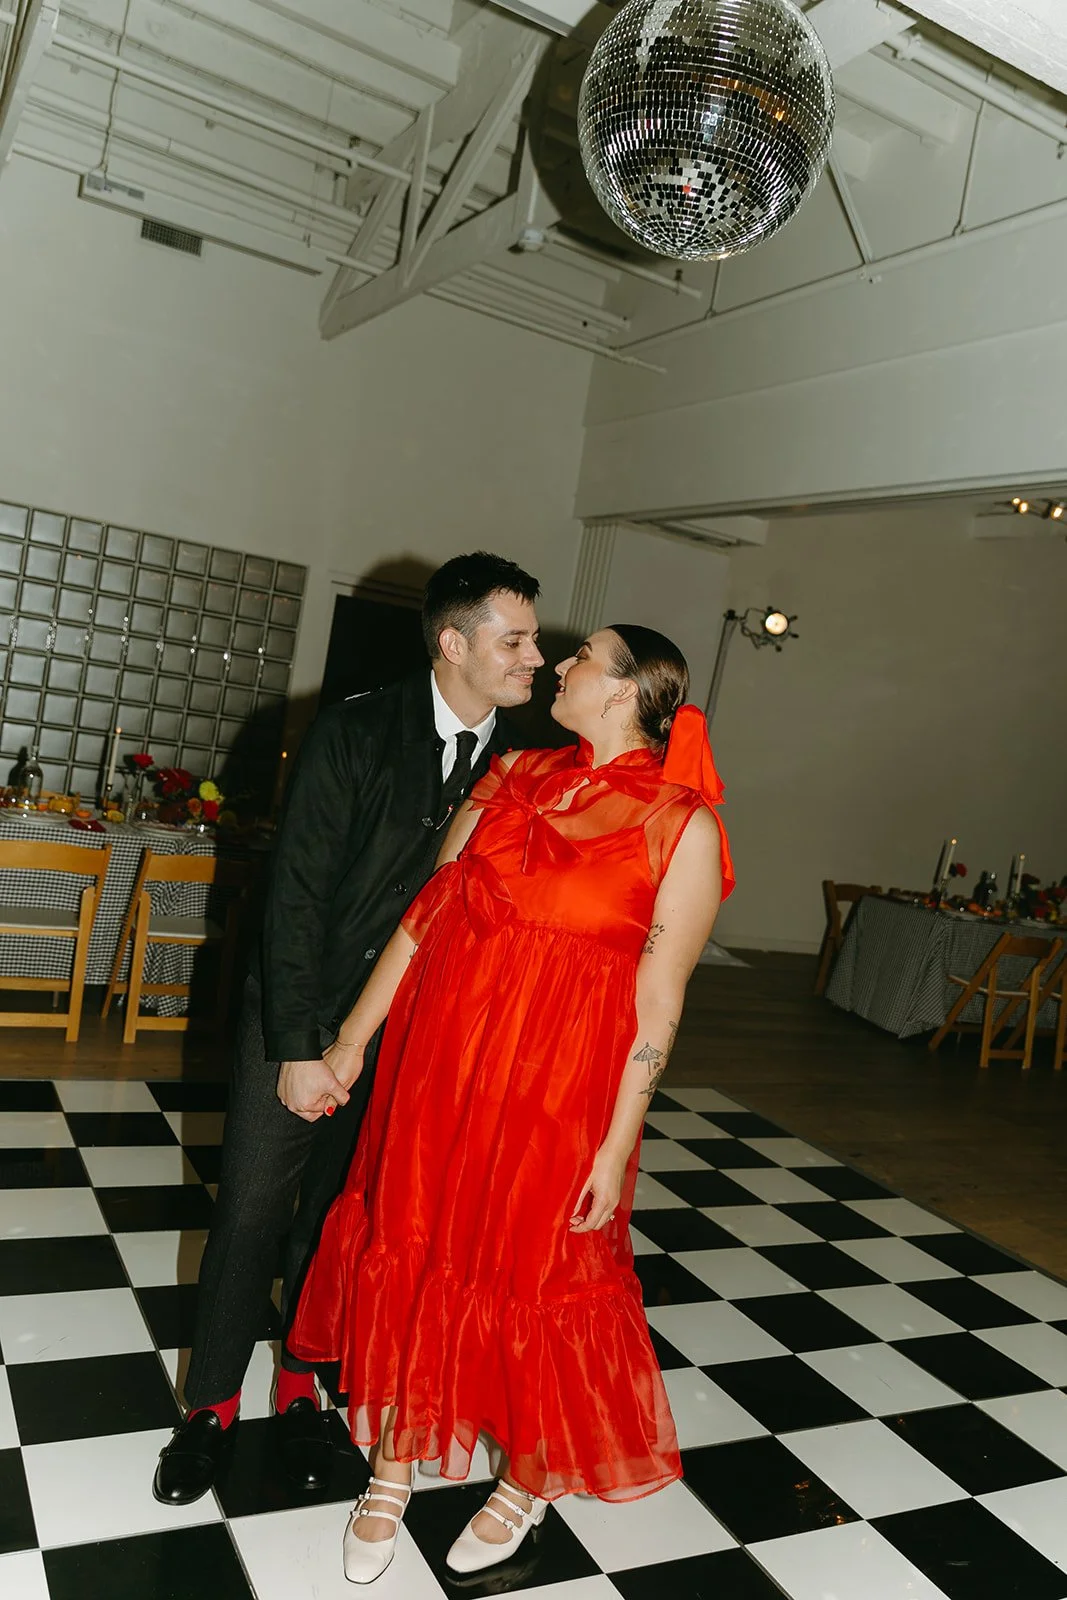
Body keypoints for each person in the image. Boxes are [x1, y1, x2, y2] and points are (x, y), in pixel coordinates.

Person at [288, 623, 735, 1583]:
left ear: (624, 693)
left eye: (580, 659)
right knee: (423, 1246)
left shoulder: (681, 825)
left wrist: (616, 1148)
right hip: (444, 1067)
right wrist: (352, 1042)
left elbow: (659, 1003)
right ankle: (394, 1465)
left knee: (535, 1276)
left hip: (561, 1092)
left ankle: (525, 1481)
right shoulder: (512, 775)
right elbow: (425, 919)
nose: (557, 666)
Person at [152, 552, 544, 1506]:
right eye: (515, 640)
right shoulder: (356, 731)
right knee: (251, 1208)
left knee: (342, 1223)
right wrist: (295, 1047)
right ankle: (208, 1408)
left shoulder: (528, 766)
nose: (535, 657)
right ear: (453, 643)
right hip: (304, 1013)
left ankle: (299, 1387)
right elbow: (292, 902)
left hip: (421, 1039)